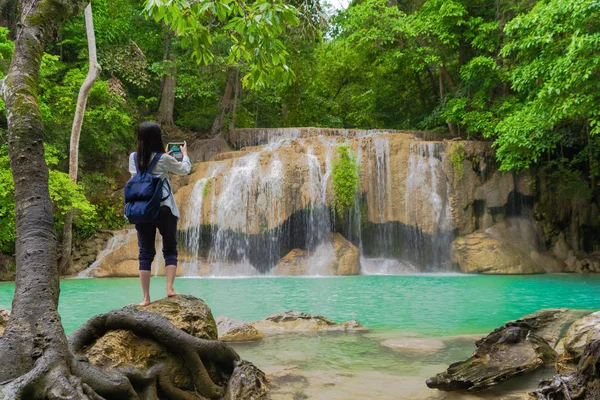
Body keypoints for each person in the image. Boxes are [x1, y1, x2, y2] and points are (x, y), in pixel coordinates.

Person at [129, 121, 191, 306]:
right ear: (158, 138)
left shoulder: (133, 157)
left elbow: (140, 173)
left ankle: (145, 298)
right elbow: (184, 170)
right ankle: (170, 289)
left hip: (142, 209)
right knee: (170, 248)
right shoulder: (164, 159)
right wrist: (185, 155)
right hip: (164, 208)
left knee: (145, 252)